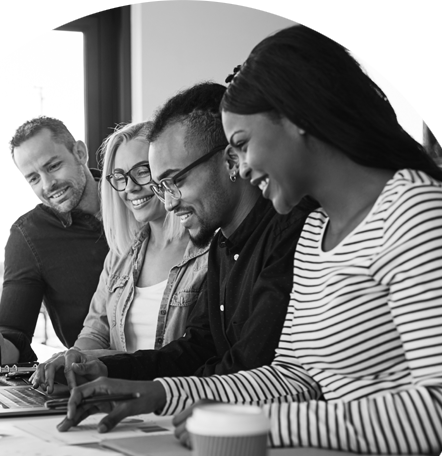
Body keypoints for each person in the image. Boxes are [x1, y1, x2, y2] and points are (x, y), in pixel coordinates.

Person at [62, 26, 442, 456]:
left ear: (298, 118)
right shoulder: (317, 231)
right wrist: (163, 393)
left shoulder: (416, 209)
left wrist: (265, 423)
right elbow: (292, 378)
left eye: (242, 145)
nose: (240, 167)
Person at [48, 81, 316, 432]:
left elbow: (249, 371)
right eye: (162, 185)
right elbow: (196, 348)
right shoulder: (222, 244)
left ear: (230, 160)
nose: (170, 200)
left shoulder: (290, 233)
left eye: (175, 181)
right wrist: (111, 371)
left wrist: (158, 394)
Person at [32, 121, 209, 391]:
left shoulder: (208, 251)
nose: (130, 187)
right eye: (119, 177)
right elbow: (94, 332)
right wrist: (71, 363)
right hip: (117, 401)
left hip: (174, 402)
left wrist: (94, 361)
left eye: (142, 172)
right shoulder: (121, 255)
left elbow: (194, 355)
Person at [0, 117, 109, 365]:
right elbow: (13, 336)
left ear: (80, 152)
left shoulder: (134, 198)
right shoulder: (29, 236)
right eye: (33, 178)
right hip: (90, 375)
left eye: (53, 166)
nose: (48, 184)